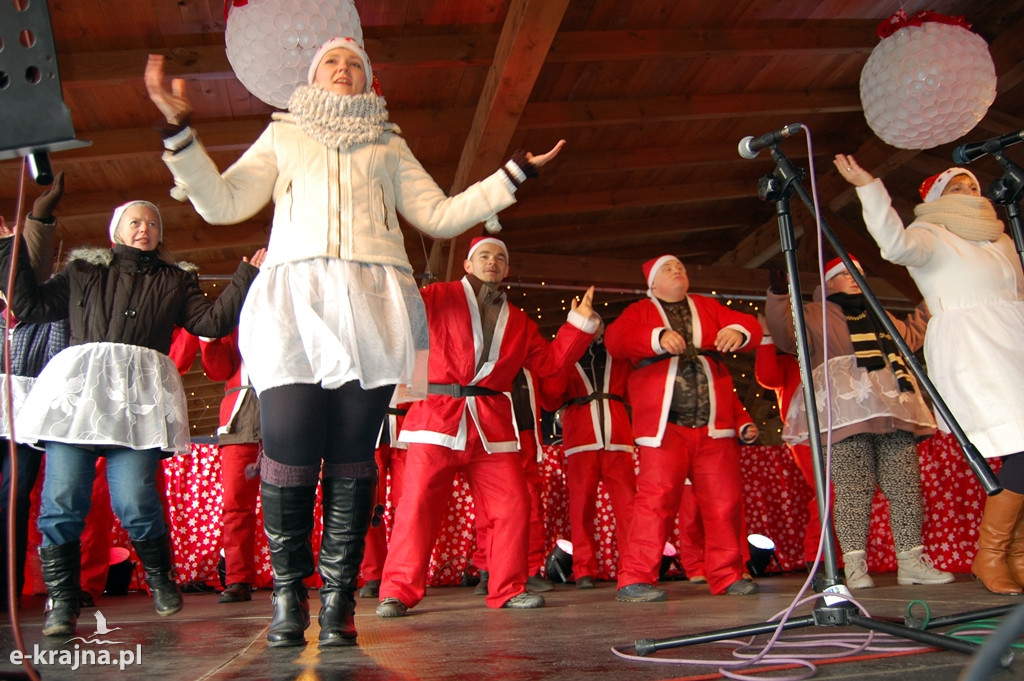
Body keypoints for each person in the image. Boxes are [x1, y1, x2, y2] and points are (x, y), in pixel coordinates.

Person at [145, 36, 565, 647]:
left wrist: (512, 174)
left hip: (371, 304)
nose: (344, 70)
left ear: (368, 81)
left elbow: (442, 215)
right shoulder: (285, 134)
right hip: (296, 300)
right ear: (314, 77)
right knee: (288, 449)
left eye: (354, 65)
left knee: (350, 454)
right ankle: (289, 598)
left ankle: (338, 604)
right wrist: (179, 131)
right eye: (331, 63)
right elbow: (222, 202)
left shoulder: (388, 142)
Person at [0, 199, 261, 637]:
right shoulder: (83, 271)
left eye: (152, 223)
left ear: (160, 234)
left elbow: (212, 322)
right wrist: (15, 244)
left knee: (136, 502)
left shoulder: (177, 279)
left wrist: (245, 278)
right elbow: (31, 305)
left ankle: (161, 579)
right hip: (79, 398)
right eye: (135, 222)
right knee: (61, 502)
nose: (144, 229)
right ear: (116, 230)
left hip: (136, 403)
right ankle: (63, 603)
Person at [376, 236, 599, 616]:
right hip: (437, 416)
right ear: (468, 264)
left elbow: (550, 366)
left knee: (513, 505)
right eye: (484, 256)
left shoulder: (520, 321)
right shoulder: (437, 295)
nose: (492, 262)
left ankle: (508, 587)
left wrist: (578, 324)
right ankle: (397, 591)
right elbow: (399, 326)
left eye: (499, 257)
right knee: (415, 507)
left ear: (507, 270)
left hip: (492, 425)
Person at [835, 155, 1024, 594]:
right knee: (1021, 449)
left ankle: (1015, 555)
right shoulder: (932, 235)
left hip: (1015, 340)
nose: (970, 193)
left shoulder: (1002, 241)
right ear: (938, 198)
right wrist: (869, 187)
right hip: (974, 346)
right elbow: (894, 246)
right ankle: (991, 554)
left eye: (973, 186)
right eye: (957, 187)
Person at [765, 253, 953, 589]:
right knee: (853, 488)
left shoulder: (879, 314)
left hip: (893, 407)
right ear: (828, 282)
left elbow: (910, 335)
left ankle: (911, 561)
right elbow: (785, 335)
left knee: (906, 485)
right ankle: (854, 566)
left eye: (860, 271)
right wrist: (779, 295)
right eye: (846, 272)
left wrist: (935, 293)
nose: (856, 276)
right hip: (847, 410)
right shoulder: (813, 314)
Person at [605, 255, 761, 600]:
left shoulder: (707, 305)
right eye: (669, 269)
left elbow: (750, 324)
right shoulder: (639, 311)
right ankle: (635, 578)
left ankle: (727, 574)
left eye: (682, 268)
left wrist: (738, 329)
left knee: (724, 504)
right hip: (665, 429)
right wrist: (656, 337)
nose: (678, 272)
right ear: (653, 284)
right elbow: (615, 340)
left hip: (713, 426)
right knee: (655, 502)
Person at [0, 174, 68, 611]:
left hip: (23, 406)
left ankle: (5, 587)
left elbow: (33, 258)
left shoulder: (34, 290)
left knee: (12, 495)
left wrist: (38, 216)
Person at [539, 332, 636, 589]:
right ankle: (583, 568)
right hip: (580, 438)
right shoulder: (565, 355)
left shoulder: (618, 354)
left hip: (617, 436)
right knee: (581, 508)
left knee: (628, 509)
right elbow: (550, 398)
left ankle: (633, 567)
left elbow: (634, 389)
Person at [753, 312, 828, 571]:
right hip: (805, 435)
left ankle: (839, 556)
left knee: (839, 494)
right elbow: (767, 377)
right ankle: (820, 558)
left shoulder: (826, 354)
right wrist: (765, 339)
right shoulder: (787, 361)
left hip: (838, 430)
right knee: (827, 492)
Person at [471, 368, 553, 596]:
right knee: (490, 508)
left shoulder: (530, 372)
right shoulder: (489, 366)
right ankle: (487, 569)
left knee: (533, 507)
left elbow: (552, 396)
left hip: (527, 439)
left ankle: (531, 569)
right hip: (497, 437)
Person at [199, 330, 261, 603]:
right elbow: (217, 369)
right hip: (240, 419)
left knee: (287, 504)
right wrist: (209, 337)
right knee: (236, 505)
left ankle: (290, 577)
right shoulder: (233, 325)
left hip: (285, 411)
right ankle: (238, 578)